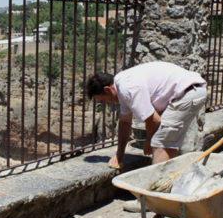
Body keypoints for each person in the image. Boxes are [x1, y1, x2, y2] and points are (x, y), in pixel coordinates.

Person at [87, 62, 207, 210]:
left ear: (108, 89)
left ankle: (151, 200)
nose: (106, 103)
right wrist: (120, 153)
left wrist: (149, 141)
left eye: (103, 100)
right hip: (192, 91)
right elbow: (125, 122)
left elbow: (154, 120)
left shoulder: (128, 88)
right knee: (169, 143)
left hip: (186, 94)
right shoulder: (122, 84)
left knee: (160, 143)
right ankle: (171, 189)